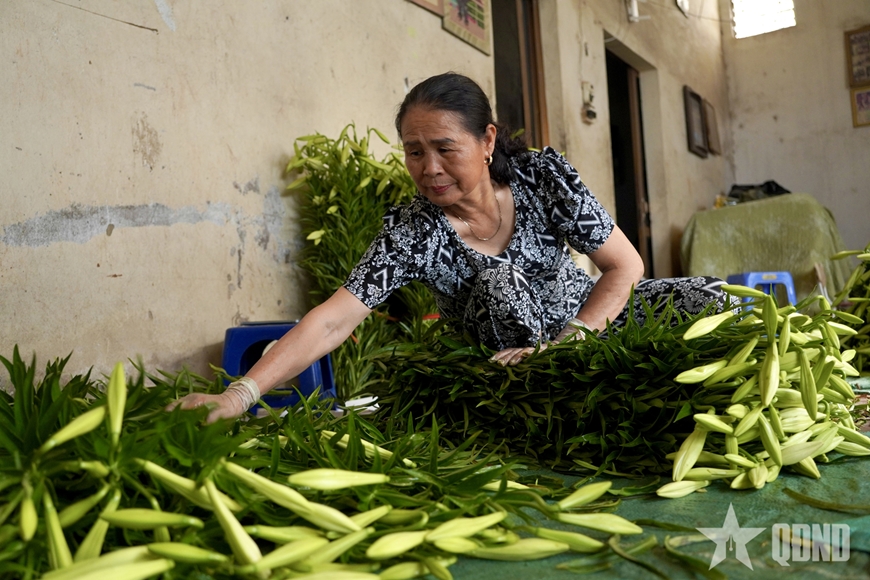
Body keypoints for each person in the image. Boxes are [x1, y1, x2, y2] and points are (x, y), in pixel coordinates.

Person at [171, 72, 730, 422]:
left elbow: (623, 265)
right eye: (414, 152)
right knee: (497, 280)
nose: (428, 168)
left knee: (710, 298)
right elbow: (332, 321)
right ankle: (559, 402)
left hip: (586, 324)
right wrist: (239, 395)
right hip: (514, 363)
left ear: (487, 140)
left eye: (444, 147)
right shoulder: (414, 230)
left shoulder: (543, 177)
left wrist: (574, 338)